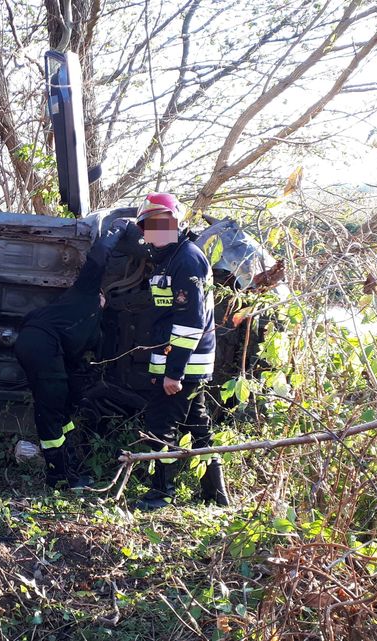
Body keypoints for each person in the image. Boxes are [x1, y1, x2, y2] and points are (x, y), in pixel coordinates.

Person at [14, 218, 140, 489]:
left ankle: (69, 469)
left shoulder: (95, 330)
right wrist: (117, 230)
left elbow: (81, 361)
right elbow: (97, 259)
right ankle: (58, 477)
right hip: (39, 343)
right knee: (51, 406)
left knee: (65, 405)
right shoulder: (86, 292)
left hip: (52, 349)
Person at [132, 192, 229, 510]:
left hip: (184, 363)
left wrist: (174, 371)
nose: (154, 230)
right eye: (149, 224)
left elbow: (190, 323)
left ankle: (161, 493)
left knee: (162, 425)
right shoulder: (170, 259)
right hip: (177, 359)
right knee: (198, 427)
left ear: (175, 223)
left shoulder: (187, 259)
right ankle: (217, 496)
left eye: (162, 223)